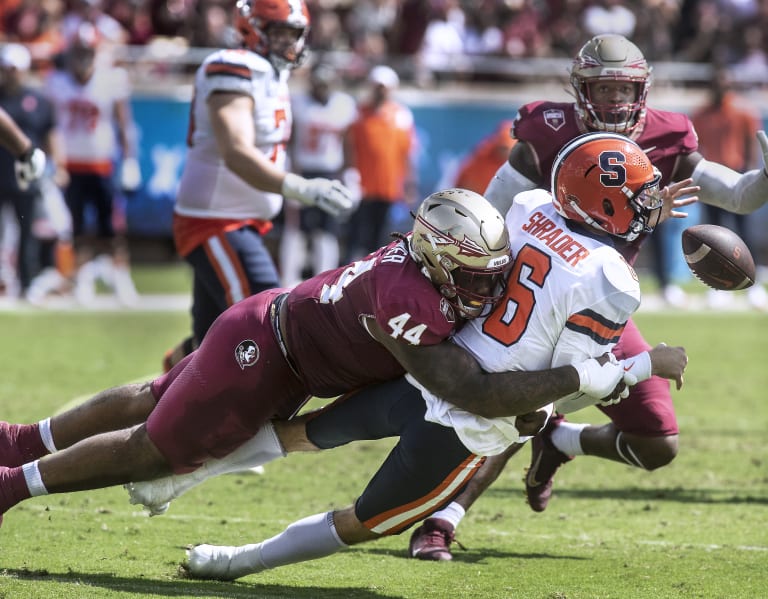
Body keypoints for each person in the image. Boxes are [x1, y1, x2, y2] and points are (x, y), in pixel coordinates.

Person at [169, 132, 690, 580]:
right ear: (606, 204)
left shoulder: (532, 208)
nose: (647, 208)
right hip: (470, 428)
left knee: (303, 434)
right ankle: (232, 562)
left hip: (430, 373)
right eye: (640, 199)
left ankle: (179, 475)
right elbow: (576, 385)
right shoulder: (612, 282)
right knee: (363, 521)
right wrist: (644, 366)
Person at [6, 187, 618, 530]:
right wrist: (576, 379)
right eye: (472, 276)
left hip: (273, 329)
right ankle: (13, 484)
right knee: (155, 449)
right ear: (435, 257)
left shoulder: (431, 271)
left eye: (491, 275)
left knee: (156, 397)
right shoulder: (408, 298)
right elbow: (469, 391)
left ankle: (20, 440)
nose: (485, 289)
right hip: (269, 357)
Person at [407, 32, 768, 561]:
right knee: (513, 407)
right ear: (579, 90)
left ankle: (560, 442)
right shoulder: (546, 132)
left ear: (643, 91)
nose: (614, 102)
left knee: (656, 444)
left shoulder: (667, 137)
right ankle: (440, 519)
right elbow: (486, 217)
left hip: (600, 308)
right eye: (601, 90)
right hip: (537, 299)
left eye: (623, 90)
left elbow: (739, 195)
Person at [161, 0, 354, 372]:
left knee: (210, 338)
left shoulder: (273, 75)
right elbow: (236, 153)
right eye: (279, 32)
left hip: (242, 221)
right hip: (215, 221)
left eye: (294, 34)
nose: (289, 43)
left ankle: (171, 382)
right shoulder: (234, 67)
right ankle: (251, 419)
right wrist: (304, 188)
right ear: (253, 28)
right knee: (265, 318)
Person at [44, 22, 142, 306]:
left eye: (88, 52)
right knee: (76, 229)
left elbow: (125, 124)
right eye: (78, 52)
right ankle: (83, 278)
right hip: (71, 166)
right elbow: (50, 126)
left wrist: (130, 160)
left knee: (111, 230)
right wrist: (54, 161)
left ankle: (121, 276)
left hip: (102, 164)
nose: (83, 58)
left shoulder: (111, 79)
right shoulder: (57, 82)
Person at [690, 65, 767, 310]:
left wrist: (749, 173)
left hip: (737, 176)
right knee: (713, 234)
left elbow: (751, 145)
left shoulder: (742, 112)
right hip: (710, 180)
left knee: (743, 232)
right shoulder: (700, 114)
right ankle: (719, 285)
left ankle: (752, 285)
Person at [278, 61, 359, 287]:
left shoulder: (343, 105)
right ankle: (289, 281)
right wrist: (288, 167)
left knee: (328, 229)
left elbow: (348, 142)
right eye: (318, 83)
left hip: (331, 171)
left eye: (326, 83)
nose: (322, 88)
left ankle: (326, 281)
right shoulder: (299, 102)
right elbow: (291, 137)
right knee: (297, 228)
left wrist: (350, 172)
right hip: (303, 171)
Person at [0, 42, 60, 298]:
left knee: (29, 231)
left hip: (24, 176)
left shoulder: (38, 100)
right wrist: (26, 151)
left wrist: (54, 162)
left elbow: (50, 133)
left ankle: (27, 281)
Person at [344, 65, 416, 262]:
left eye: (384, 87)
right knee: (356, 235)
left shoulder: (401, 115)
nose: (381, 91)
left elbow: (407, 153)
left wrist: (409, 184)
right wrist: (348, 172)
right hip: (362, 186)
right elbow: (348, 144)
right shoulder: (359, 113)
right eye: (378, 86)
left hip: (388, 186)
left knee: (379, 236)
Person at [453, 119, 516, 194]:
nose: (504, 152)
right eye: (502, 147)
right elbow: (462, 184)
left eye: (507, 148)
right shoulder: (480, 156)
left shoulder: (521, 165)